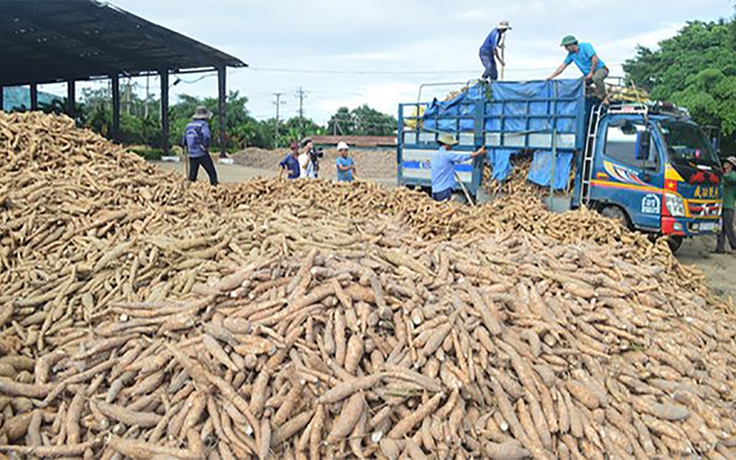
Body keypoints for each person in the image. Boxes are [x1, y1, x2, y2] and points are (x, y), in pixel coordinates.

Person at [548, 35, 609, 104]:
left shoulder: (585, 46)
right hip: (588, 74)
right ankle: (589, 98)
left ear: (571, 44)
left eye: (566, 46)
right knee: (579, 83)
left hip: (600, 69)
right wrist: (551, 77)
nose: (565, 49)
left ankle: (604, 98)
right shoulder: (571, 55)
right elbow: (562, 67)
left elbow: (594, 59)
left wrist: (591, 72)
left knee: (596, 78)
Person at [431, 133, 486, 202]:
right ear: (447, 144)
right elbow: (463, 157)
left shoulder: (435, 155)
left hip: (435, 190)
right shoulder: (448, 155)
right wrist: (478, 152)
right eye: (450, 145)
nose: (451, 147)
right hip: (444, 189)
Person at [182, 106, 218, 185]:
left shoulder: (188, 126)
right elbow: (207, 136)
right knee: (212, 173)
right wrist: (205, 146)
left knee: (192, 175)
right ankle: (214, 188)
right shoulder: (203, 124)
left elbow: (184, 139)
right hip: (201, 152)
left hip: (191, 153)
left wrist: (185, 148)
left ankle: (189, 189)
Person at [716, 156, 736, 254]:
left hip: (729, 205)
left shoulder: (732, 175)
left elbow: (730, 178)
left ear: (731, 165)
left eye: (727, 163)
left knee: (728, 227)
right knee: (720, 228)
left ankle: (734, 246)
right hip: (721, 205)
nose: (725, 164)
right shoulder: (724, 175)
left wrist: (721, 173)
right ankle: (720, 247)